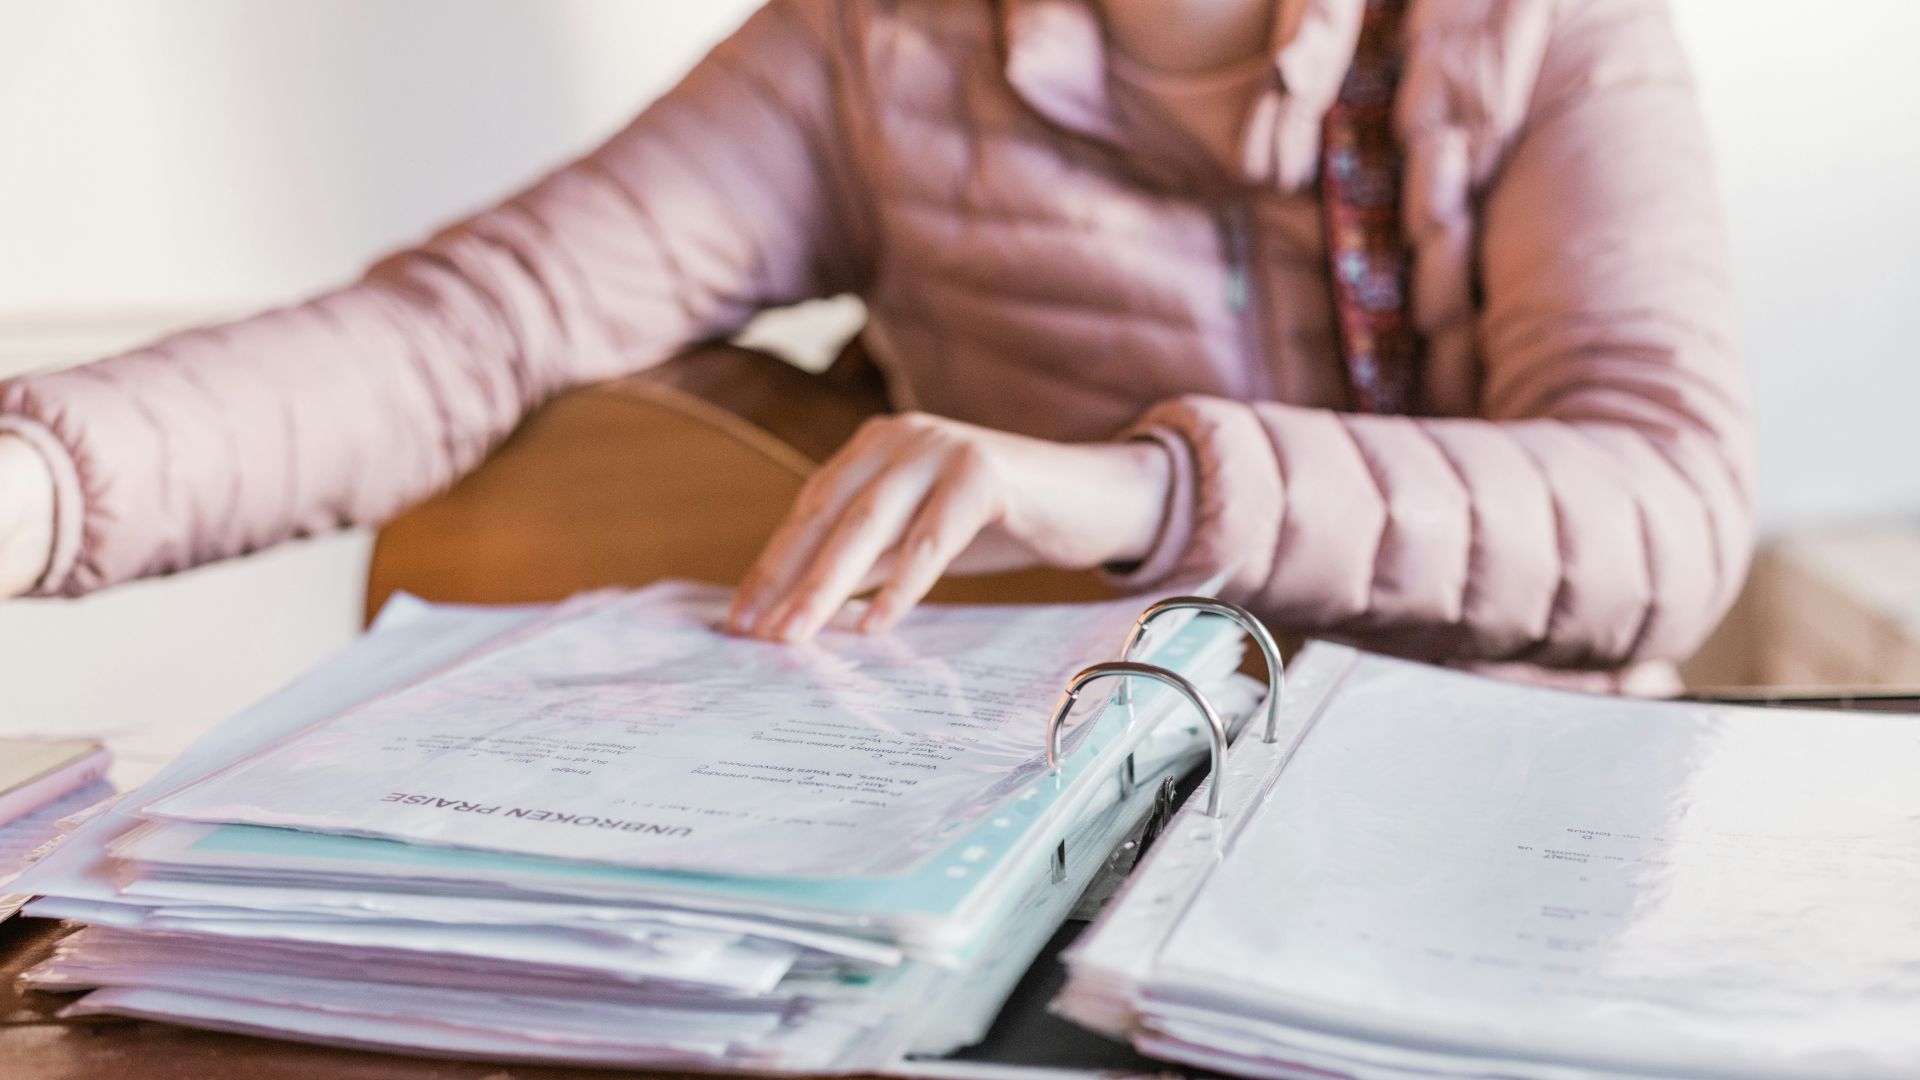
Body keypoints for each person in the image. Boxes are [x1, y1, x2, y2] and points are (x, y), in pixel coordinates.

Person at [0, 0, 1750, 691]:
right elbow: (474, 326)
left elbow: (1665, 518)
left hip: (1508, 843)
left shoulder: (1547, 35)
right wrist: (38, 488)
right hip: (1053, 847)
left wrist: (1144, 489)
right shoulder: (871, 45)